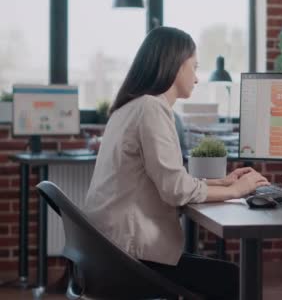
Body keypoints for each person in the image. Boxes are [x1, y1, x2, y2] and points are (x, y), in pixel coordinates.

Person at [84, 27, 269, 300]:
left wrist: (222, 181)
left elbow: (163, 179)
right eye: (194, 67)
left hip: (106, 252)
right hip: (129, 256)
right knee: (230, 279)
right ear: (175, 65)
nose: (196, 77)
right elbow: (176, 191)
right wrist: (238, 190)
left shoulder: (129, 107)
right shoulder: (151, 109)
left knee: (223, 276)